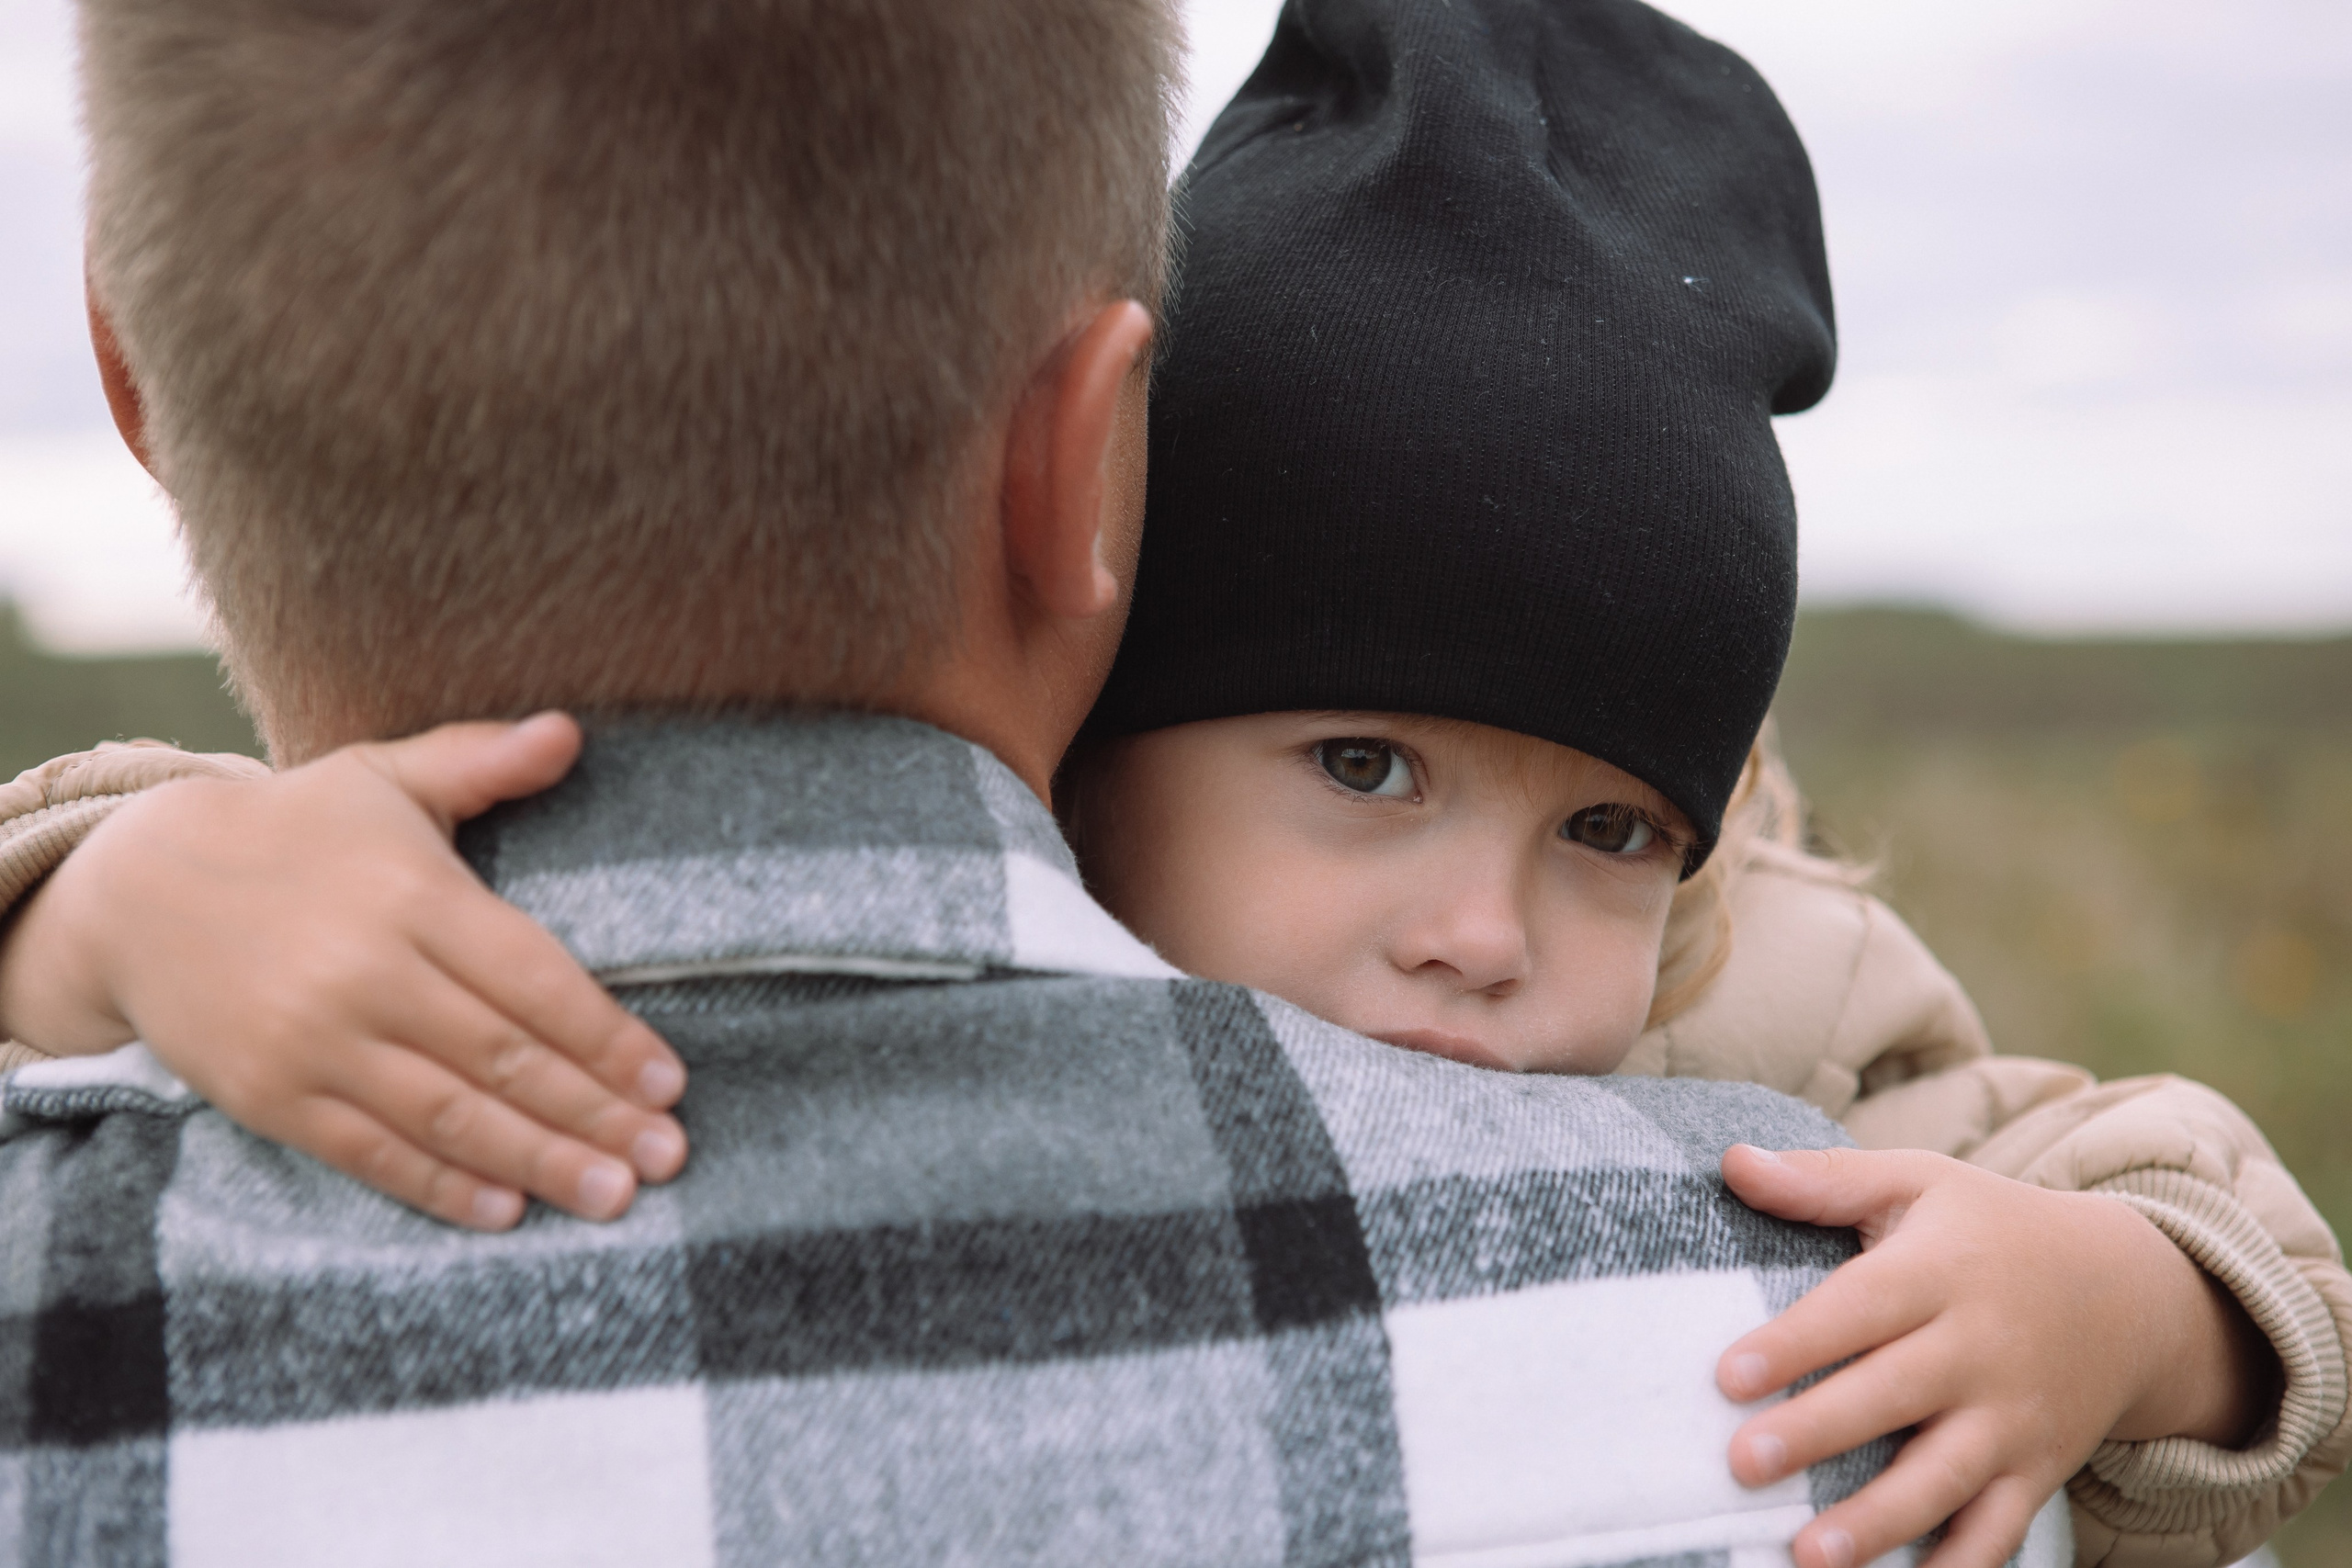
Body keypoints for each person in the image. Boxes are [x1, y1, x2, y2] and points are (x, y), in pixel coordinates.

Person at [0, 6, 2328, 1568]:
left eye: (1612, 827)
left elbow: (2208, 1232)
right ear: (1088, 522)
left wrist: (2122, 1299)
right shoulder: (1692, 1386)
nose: (1476, 929)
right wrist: (111, 887)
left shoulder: (1788, 1057)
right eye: (1357, 765)